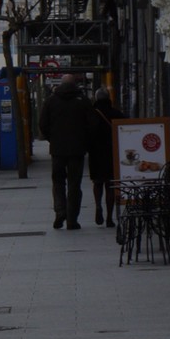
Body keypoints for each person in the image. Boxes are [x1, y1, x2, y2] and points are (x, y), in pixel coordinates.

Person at [38, 73, 94, 230]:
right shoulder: (83, 101)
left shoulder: (50, 101)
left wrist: (53, 139)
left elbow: (42, 124)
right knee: (74, 184)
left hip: (57, 150)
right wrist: (84, 141)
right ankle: (72, 219)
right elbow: (92, 125)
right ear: (75, 83)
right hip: (77, 150)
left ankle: (60, 210)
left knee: (58, 182)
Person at [88, 86, 122, 227]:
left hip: (95, 153)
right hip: (112, 153)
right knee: (110, 184)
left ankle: (97, 205)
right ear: (109, 98)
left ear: (96, 99)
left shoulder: (90, 115)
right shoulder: (117, 114)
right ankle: (109, 217)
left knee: (97, 182)